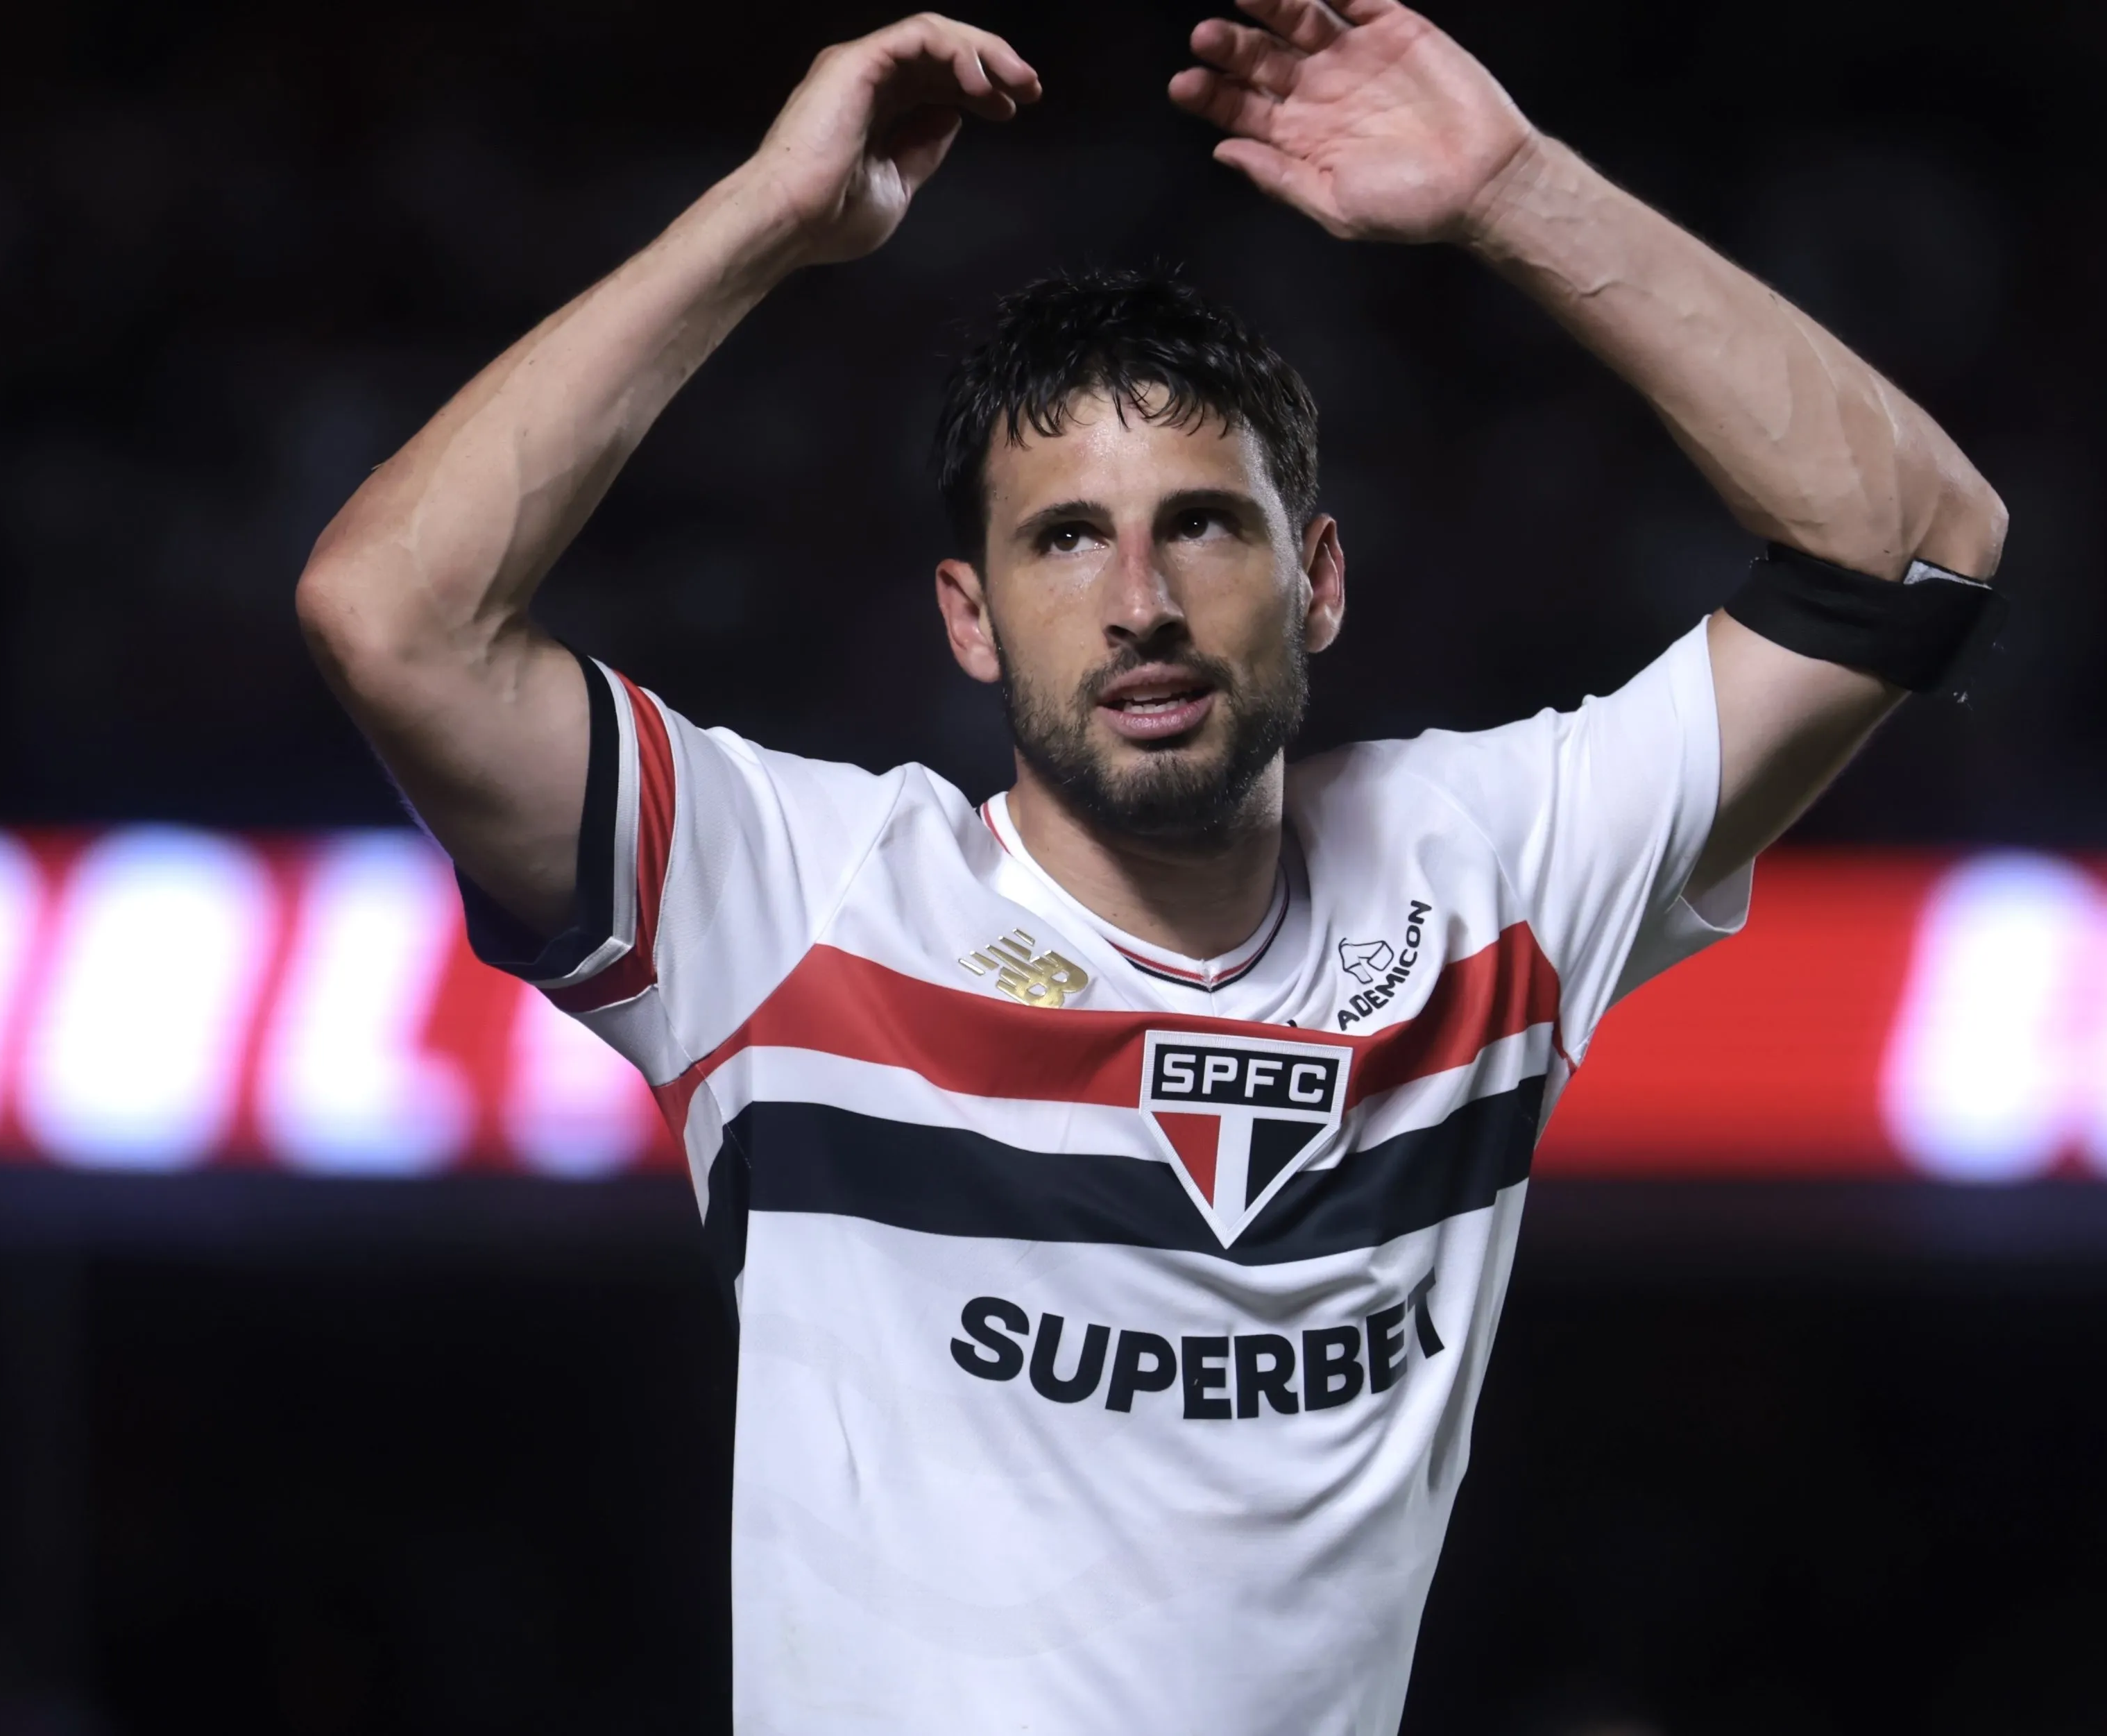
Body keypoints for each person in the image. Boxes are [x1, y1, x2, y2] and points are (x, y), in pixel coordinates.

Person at [294, 1, 2005, 1729]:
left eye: (1201, 523)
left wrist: (1513, 189)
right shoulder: (789, 905)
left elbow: (1914, 551)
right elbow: (392, 617)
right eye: (1064, 540)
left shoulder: (1488, 883)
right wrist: (763, 218)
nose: (1139, 603)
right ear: (968, 619)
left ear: (1317, 580)